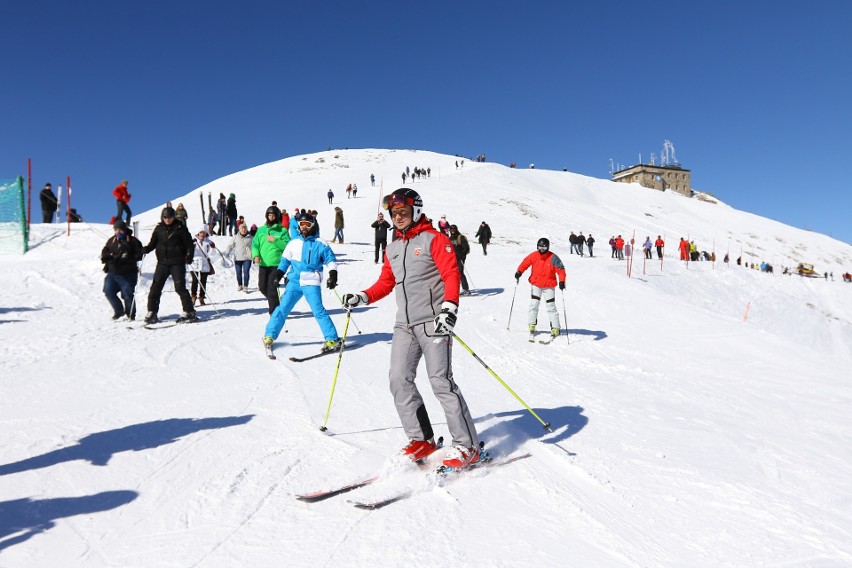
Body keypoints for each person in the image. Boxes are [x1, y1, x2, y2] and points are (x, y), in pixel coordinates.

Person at [342, 188, 480, 470]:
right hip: (404, 325)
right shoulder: (393, 247)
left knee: (441, 382)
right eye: (394, 214)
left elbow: (451, 274)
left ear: (415, 211)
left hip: (433, 321)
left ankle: (467, 446)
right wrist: (363, 297)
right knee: (398, 378)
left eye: (403, 212)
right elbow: (386, 283)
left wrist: (450, 307)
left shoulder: (435, 239)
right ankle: (421, 439)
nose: (398, 217)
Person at [263, 212, 340, 352]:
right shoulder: (293, 243)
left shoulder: (320, 243)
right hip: (295, 282)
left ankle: (332, 339)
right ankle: (269, 335)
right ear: (298, 225)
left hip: (311, 281)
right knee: (282, 308)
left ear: (312, 225)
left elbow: (331, 260)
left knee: (318, 310)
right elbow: (285, 261)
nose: (304, 227)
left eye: (307, 224)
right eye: (302, 224)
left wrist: (333, 275)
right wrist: (278, 275)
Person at [141, 207, 196, 324]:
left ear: (173, 217)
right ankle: (152, 312)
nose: (167, 219)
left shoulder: (180, 228)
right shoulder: (159, 228)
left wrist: (189, 255)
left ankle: (189, 311)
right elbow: (153, 243)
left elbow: (189, 244)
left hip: (177, 262)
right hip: (162, 263)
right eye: (164, 217)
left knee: (180, 287)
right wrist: (145, 249)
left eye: (169, 217)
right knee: (155, 287)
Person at [515, 238, 566, 340]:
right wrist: (519, 271)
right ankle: (532, 324)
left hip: (549, 286)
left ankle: (555, 327)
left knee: (551, 307)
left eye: (544, 247)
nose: (541, 249)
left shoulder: (553, 257)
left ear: (547, 247)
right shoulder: (534, 255)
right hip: (536, 284)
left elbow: (560, 270)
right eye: (539, 247)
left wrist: (562, 281)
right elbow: (525, 262)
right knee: (534, 304)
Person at [100, 220, 143, 320]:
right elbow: (105, 250)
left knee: (127, 294)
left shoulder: (133, 241)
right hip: (112, 272)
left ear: (124, 229)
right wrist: (106, 257)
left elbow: (140, 254)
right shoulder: (112, 240)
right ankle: (119, 311)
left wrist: (129, 257)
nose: (118, 232)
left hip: (127, 273)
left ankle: (131, 315)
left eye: (120, 230)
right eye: (116, 230)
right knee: (108, 291)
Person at [252, 205, 290, 314]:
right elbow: (255, 244)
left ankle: (274, 313)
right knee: (262, 287)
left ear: (277, 216)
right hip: (263, 264)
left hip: (276, 264)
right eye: (269, 215)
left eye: (273, 215)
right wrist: (256, 256)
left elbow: (288, 245)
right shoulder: (261, 230)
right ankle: (276, 303)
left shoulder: (282, 230)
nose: (271, 217)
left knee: (272, 289)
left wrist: (275, 240)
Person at [189, 226, 216, 306]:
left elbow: (212, 253)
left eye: (204, 232)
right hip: (194, 263)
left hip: (204, 263)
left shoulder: (208, 241)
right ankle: (193, 297)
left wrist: (213, 247)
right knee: (195, 280)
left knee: (203, 281)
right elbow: (187, 250)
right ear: (198, 232)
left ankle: (201, 297)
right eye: (201, 232)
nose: (202, 234)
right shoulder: (193, 241)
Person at [225, 221, 254, 291]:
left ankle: (246, 286)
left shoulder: (251, 237)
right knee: (238, 272)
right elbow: (230, 245)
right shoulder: (235, 237)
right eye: (242, 228)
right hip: (238, 258)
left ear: (246, 229)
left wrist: (255, 255)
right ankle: (240, 284)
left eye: (245, 228)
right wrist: (227, 252)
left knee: (246, 271)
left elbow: (254, 247)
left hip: (247, 257)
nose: (243, 230)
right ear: (239, 229)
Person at [448, 224, 471, 295]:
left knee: (460, 272)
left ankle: (466, 289)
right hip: (453, 258)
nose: (452, 231)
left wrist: (461, 255)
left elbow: (466, 248)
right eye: (451, 230)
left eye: (453, 229)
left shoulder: (460, 237)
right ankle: (457, 289)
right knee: (455, 273)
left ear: (456, 229)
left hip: (460, 258)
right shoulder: (450, 238)